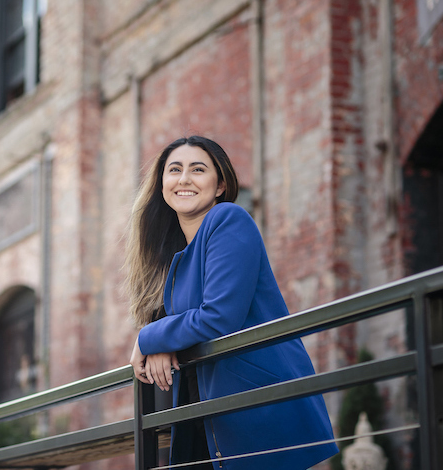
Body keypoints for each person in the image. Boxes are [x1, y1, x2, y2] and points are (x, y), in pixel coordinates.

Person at [127, 136, 337, 469]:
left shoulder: (228, 220)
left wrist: (149, 338)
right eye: (174, 170)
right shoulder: (178, 254)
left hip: (254, 409)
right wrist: (163, 340)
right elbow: (185, 322)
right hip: (203, 413)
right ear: (162, 184)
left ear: (221, 184)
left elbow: (218, 316)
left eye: (198, 169)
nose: (184, 179)